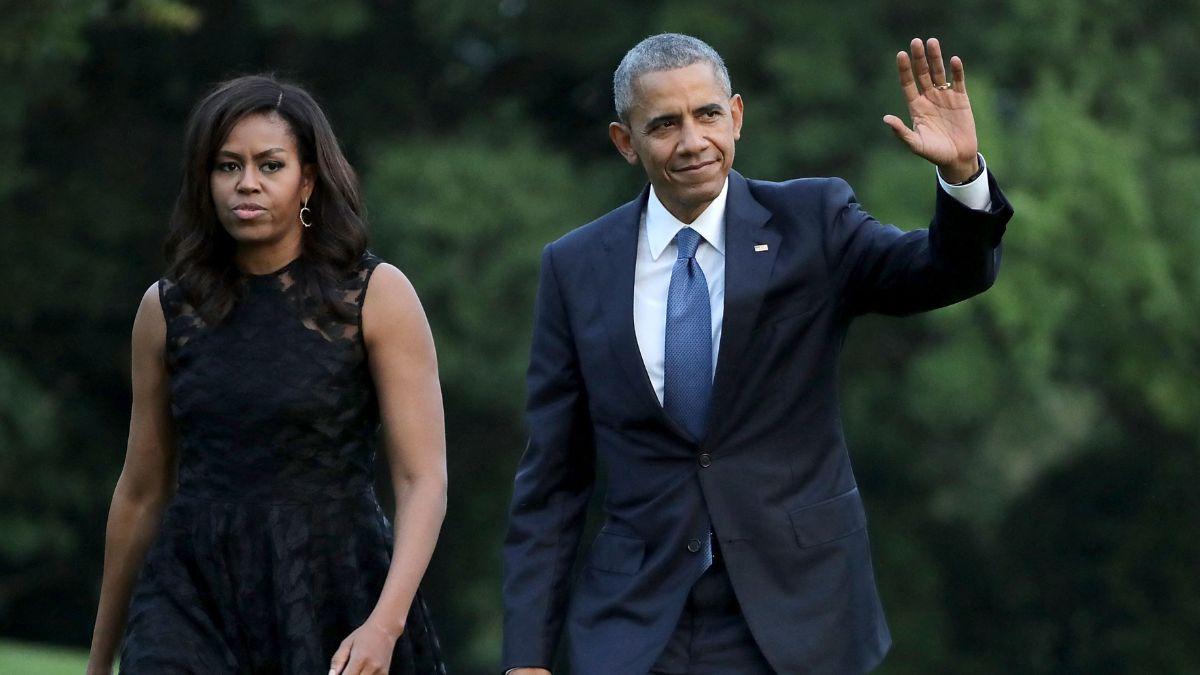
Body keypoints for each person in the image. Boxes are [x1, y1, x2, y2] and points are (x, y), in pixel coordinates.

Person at [501, 33, 1013, 674]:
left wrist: (962, 176)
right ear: (625, 141)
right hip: (636, 626)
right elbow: (552, 479)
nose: (692, 141)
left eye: (707, 114)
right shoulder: (575, 266)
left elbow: (944, 272)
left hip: (799, 614)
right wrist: (526, 658)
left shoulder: (812, 219)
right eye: (664, 125)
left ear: (736, 116)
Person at [85, 75, 448, 675]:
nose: (246, 183)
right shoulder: (167, 309)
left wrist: (384, 624)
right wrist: (100, 661)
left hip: (329, 587)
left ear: (307, 180)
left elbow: (422, 480)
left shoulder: (375, 295)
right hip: (189, 589)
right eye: (227, 166)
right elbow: (141, 492)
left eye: (270, 165)